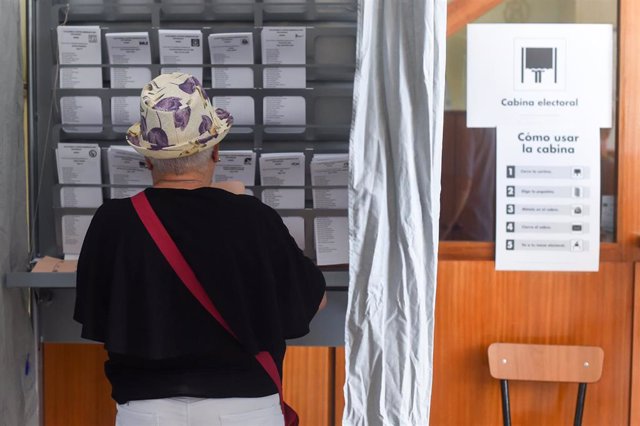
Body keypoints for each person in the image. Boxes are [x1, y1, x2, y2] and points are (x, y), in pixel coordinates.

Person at [74, 72, 327, 426]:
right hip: (245, 408)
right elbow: (311, 300)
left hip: (146, 411)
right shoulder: (253, 219)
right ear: (216, 151)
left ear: (148, 159)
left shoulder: (113, 223)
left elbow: (96, 318)